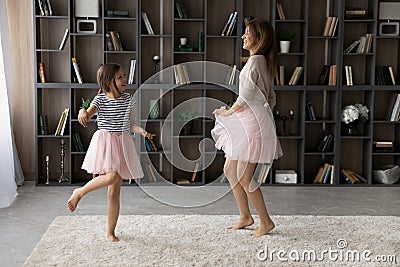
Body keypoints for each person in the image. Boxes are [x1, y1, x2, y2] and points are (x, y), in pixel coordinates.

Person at [211, 19, 283, 237]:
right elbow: (271, 98)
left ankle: (266, 221)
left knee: (244, 176)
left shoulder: (255, 62)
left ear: (259, 39)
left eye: (247, 33)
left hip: (250, 123)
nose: (243, 36)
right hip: (251, 120)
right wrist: (261, 115)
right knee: (230, 170)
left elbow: (245, 97)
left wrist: (228, 112)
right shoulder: (261, 61)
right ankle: (245, 216)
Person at [67, 63, 154, 242]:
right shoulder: (99, 100)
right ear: (109, 81)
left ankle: (110, 232)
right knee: (113, 176)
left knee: (114, 192)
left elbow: (131, 124)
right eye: (120, 76)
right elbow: (87, 113)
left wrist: (143, 132)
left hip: (122, 143)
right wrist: (82, 111)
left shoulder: (129, 98)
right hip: (105, 143)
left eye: (124, 75)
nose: (125, 79)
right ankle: (80, 192)